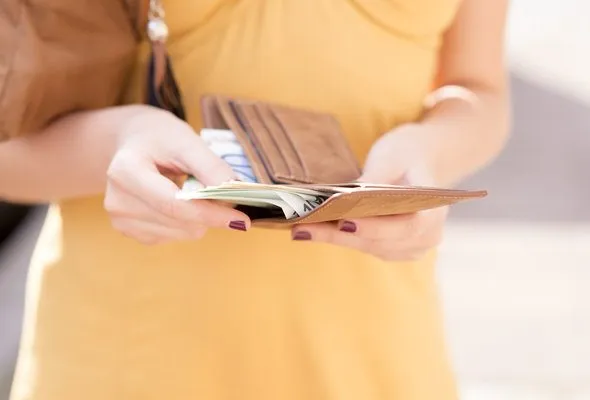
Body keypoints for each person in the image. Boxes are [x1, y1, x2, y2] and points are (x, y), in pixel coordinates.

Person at [0, 1, 510, 399]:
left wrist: (429, 151)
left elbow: (479, 89)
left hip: (371, 353)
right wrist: (117, 143)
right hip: (130, 354)